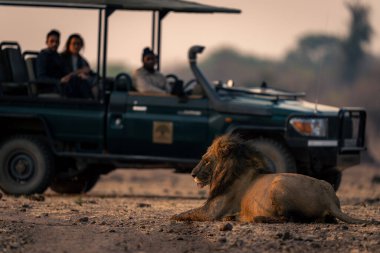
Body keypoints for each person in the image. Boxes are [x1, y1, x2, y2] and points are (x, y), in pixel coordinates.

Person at [60, 33, 96, 99]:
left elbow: (89, 72)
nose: (76, 46)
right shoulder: (62, 58)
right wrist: (79, 73)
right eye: (74, 44)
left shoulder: (83, 61)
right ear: (69, 45)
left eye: (78, 44)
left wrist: (86, 76)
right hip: (67, 85)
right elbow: (64, 76)